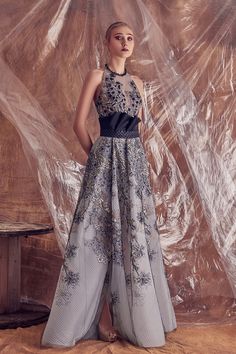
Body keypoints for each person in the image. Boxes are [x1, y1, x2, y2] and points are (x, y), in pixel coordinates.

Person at [40, 21, 177, 349]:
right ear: (108, 43)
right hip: (106, 158)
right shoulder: (96, 77)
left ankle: (131, 317)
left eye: (130, 38)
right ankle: (101, 317)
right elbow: (78, 123)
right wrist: (97, 157)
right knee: (98, 236)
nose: (126, 42)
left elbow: (141, 131)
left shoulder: (140, 84)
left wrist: (136, 163)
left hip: (133, 164)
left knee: (131, 235)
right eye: (119, 37)